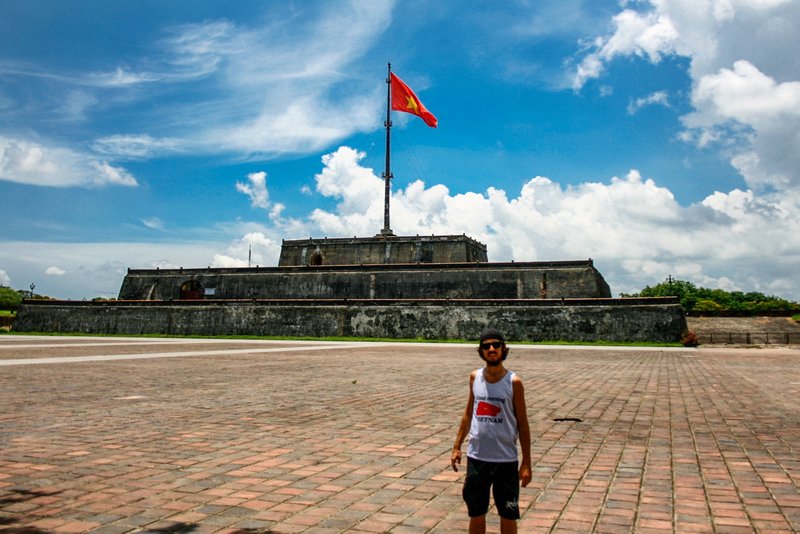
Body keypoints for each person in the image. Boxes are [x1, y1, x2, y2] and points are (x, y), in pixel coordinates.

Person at [451, 328, 532, 534]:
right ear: (481, 351)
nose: (492, 349)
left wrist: (527, 462)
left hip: (506, 459)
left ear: (504, 349)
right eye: (486, 346)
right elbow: (468, 414)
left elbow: (522, 423)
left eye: (496, 345)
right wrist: (457, 446)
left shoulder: (514, 382)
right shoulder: (474, 377)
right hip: (478, 458)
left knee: (508, 514)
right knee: (476, 512)